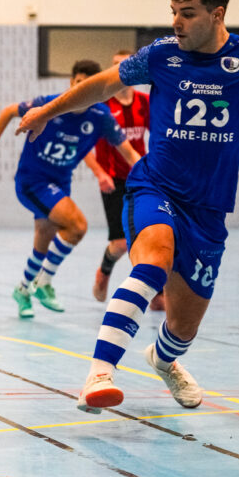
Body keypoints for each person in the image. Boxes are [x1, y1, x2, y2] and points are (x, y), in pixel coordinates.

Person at [16, 0, 239, 413]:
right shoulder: (161, 55)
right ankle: (98, 374)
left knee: (183, 327)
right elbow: (101, 85)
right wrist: (47, 112)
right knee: (153, 261)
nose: (176, 22)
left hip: (209, 209)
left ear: (218, 15)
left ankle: (164, 360)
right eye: (173, 11)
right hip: (155, 186)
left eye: (188, 13)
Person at [0, 60, 141, 319]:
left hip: (60, 183)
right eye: (78, 84)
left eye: (88, 85)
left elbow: (129, 152)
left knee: (43, 239)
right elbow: (9, 111)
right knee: (77, 226)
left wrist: (150, 175)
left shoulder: (100, 117)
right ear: (71, 84)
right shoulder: (51, 104)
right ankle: (43, 282)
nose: (81, 89)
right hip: (33, 182)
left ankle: (23, 290)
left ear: (96, 87)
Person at [82, 50, 164, 312]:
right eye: (115, 66)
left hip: (141, 179)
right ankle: (104, 271)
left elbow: (161, 136)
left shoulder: (144, 102)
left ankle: (156, 292)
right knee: (120, 244)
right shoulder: (102, 107)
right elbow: (84, 146)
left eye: (124, 65)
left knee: (150, 235)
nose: (120, 70)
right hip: (113, 179)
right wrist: (100, 173)